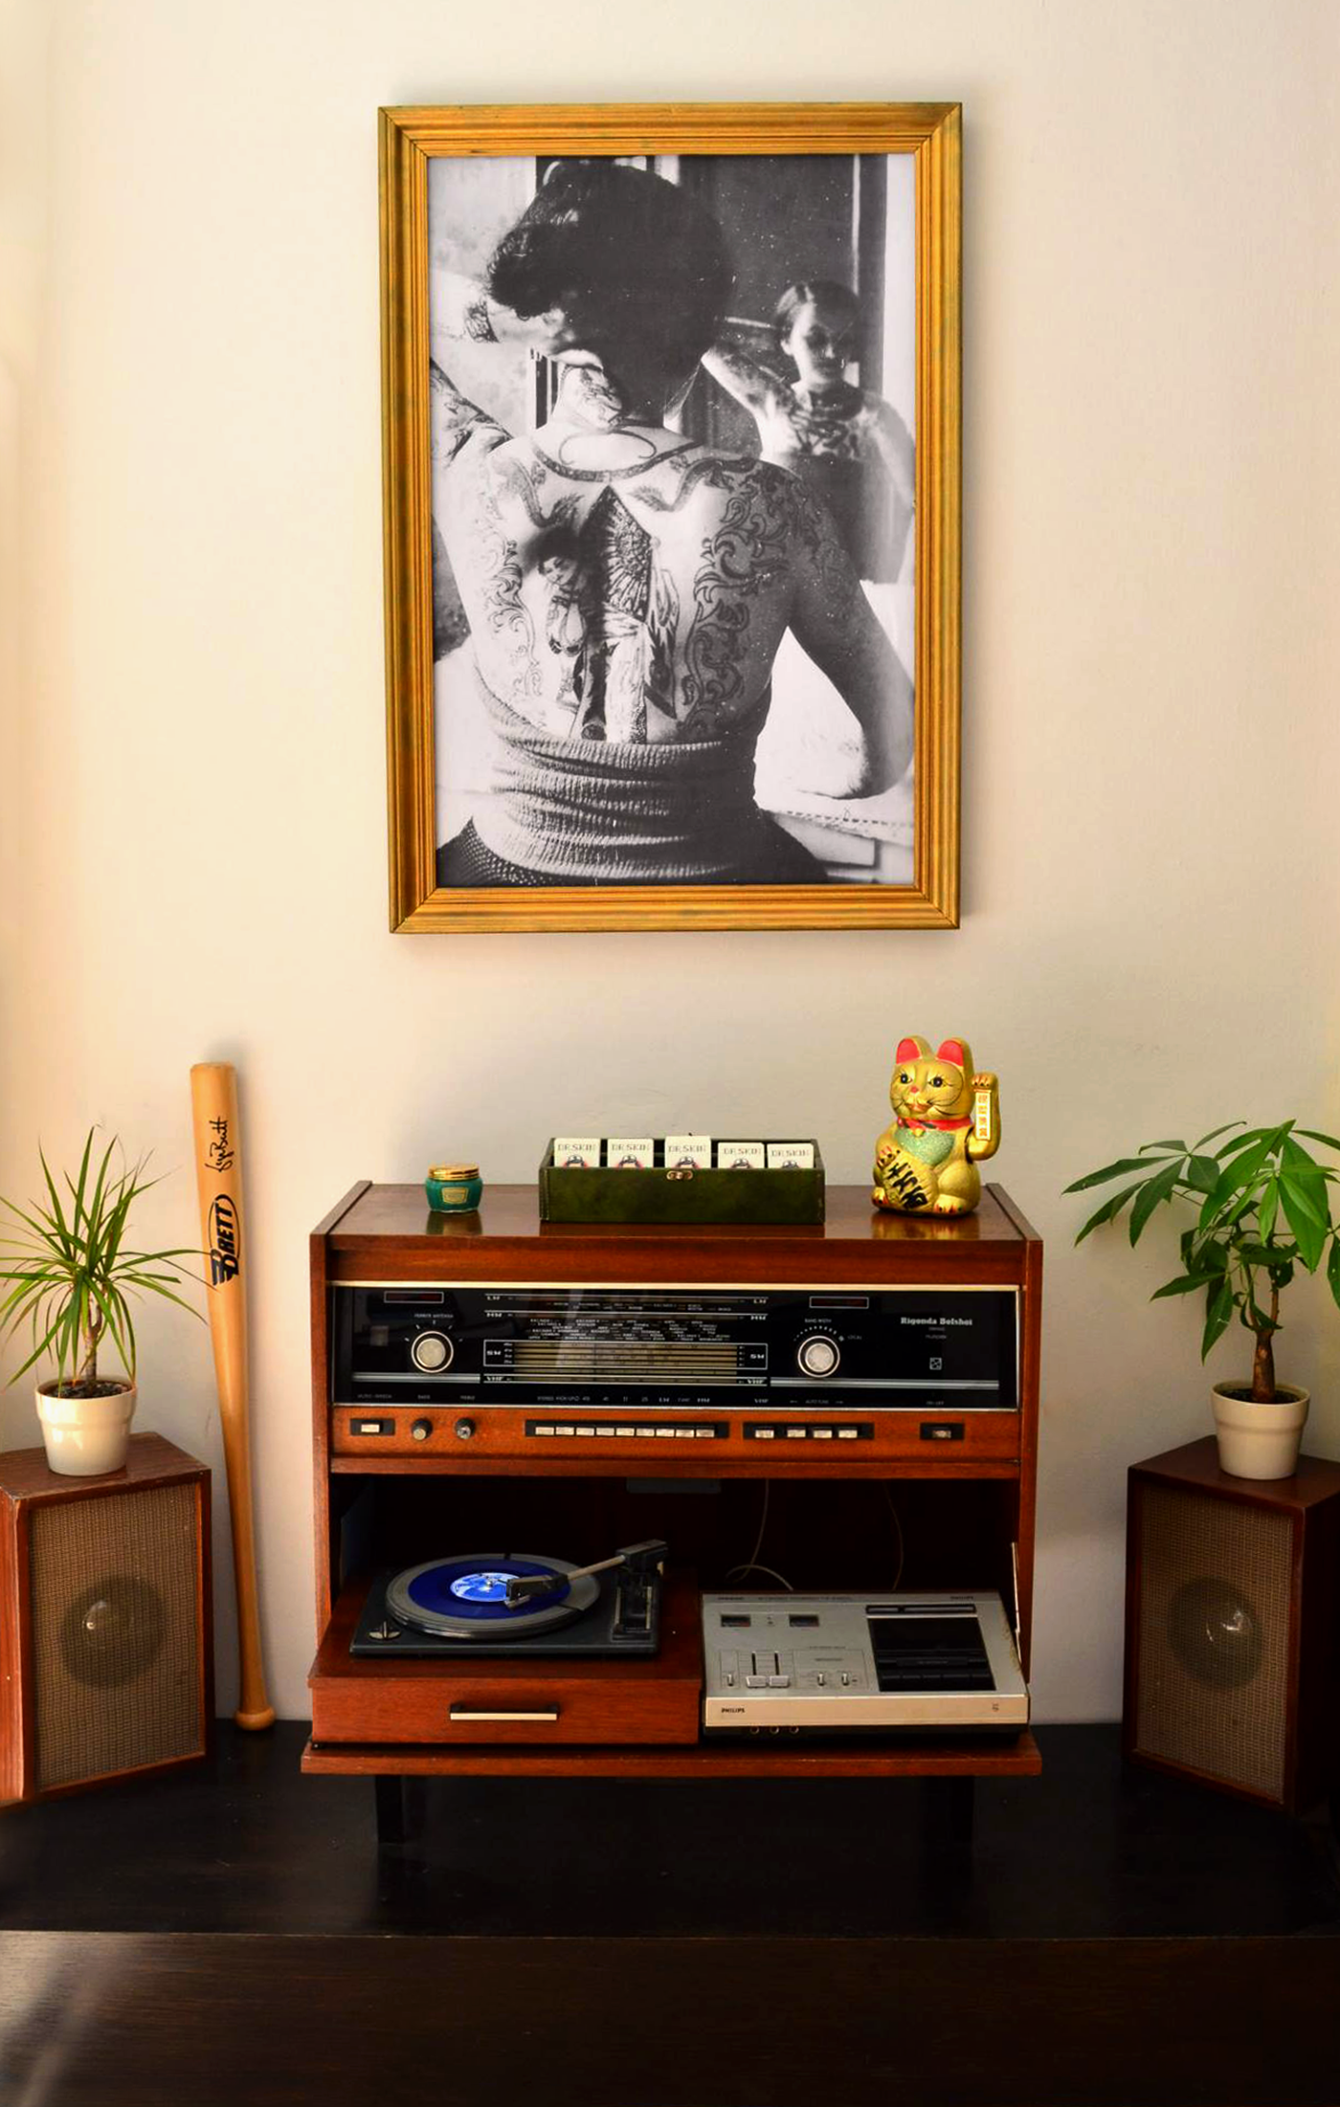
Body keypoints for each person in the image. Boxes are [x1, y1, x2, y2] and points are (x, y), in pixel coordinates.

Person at [429, 164, 911, 888]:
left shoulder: (472, 470)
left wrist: (531, 317)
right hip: (718, 882)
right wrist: (830, 783)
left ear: (549, 321)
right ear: (696, 334)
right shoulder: (773, 504)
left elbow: (388, 298)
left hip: (504, 878)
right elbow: (893, 733)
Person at [701, 280, 914, 586]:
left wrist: (902, 582)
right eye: (815, 339)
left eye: (843, 340)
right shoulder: (773, 401)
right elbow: (707, 345)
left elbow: (922, 503)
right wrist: (773, 338)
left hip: (849, 584)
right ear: (786, 340)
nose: (832, 352)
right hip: (774, 577)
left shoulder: (875, 416)